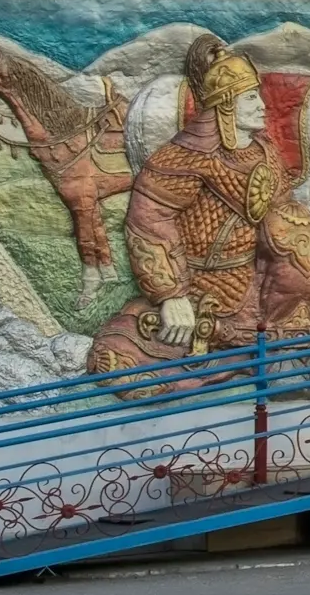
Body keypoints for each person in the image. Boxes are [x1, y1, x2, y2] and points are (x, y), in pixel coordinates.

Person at [88, 45, 278, 373]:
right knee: (114, 361)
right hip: (193, 289)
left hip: (256, 291)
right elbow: (148, 221)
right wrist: (170, 294)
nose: (262, 106)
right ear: (226, 106)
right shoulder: (181, 158)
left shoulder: (266, 154)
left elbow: (281, 222)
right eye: (250, 98)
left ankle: (256, 353)